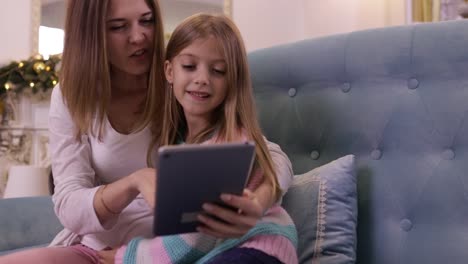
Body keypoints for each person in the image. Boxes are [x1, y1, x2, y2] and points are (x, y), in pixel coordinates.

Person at [0, 1, 294, 264]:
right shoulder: (72, 96)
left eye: (147, 20)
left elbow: (267, 156)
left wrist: (260, 200)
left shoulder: (182, 87)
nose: (139, 36)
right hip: (103, 246)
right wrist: (134, 182)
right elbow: (69, 204)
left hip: (159, 248)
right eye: (118, 26)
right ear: (92, 35)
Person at [98, 13, 298, 264]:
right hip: (216, 251)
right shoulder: (177, 142)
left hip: (258, 247)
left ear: (231, 81)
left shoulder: (229, 141)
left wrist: (125, 256)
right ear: (169, 71)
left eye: (218, 71)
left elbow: (196, 236)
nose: (202, 79)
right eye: (190, 66)